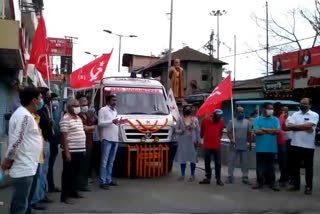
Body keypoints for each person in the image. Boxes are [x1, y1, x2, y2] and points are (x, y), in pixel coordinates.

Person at [1, 87, 43, 214]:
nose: (41, 101)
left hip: (27, 165)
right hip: (23, 167)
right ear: (34, 100)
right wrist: (8, 160)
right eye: (40, 98)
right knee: (20, 206)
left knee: (21, 204)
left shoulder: (24, 114)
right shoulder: (24, 116)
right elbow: (17, 141)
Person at [287, 98, 319, 195]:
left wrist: (296, 127)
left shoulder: (314, 115)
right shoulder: (295, 114)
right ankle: (296, 185)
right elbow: (289, 126)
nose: (302, 105)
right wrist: (304, 127)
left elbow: (309, 126)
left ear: (310, 105)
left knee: (308, 167)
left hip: (308, 146)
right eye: (301, 103)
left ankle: (308, 187)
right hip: (295, 144)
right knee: (295, 166)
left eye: (305, 103)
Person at [60, 98, 86, 204]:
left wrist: (83, 148)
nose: (78, 107)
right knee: (68, 174)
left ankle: (73, 191)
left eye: (78, 105)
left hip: (80, 149)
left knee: (76, 173)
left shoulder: (78, 118)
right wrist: (67, 152)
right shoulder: (65, 119)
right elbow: (64, 137)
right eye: (75, 106)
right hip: (71, 150)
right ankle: (65, 196)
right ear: (69, 107)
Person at [31, 88, 54, 209]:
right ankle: (35, 199)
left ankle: (41, 194)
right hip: (41, 142)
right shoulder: (37, 110)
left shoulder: (45, 108)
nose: (49, 98)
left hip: (47, 141)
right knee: (39, 173)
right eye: (46, 96)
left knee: (43, 171)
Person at [252, 102, 280, 191]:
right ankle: (259, 182)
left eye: (272, 109)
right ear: (264, 109)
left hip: (272, 147)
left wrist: (263, 129)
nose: (271, 110)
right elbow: (256, 132)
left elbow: (277, 131)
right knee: (260, 166)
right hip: (260, 148)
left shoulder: (275, 119)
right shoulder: (257, 119)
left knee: (271, 166)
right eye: (269, 108)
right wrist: (271, 130)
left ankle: (272, 183)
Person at [98, 94, 122, 189]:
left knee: (111, 161)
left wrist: (120, 122)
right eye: (113, 100)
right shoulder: (103, 110)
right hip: (107, 138)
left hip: (115, 138)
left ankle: (109, 179)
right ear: (108, 101)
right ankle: (103, 181)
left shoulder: (115, 111)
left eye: (115, 100)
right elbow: (100, 124)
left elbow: (115, 123)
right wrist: (111, 121)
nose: (115, 102)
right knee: (104, 161)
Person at [226, 107, 252, 185]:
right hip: (234, 145)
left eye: (242, 112)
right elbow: (228, 132)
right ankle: (230, 176)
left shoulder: (247, 122)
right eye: (239, 112)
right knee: (231, 161)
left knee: (245, 162)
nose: (241, 113)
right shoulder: (232, 122)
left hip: (244, 145)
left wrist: (250, 144)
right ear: (236, 113)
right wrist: (231, 139)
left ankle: (245, 176)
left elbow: (249, 134)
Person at [174, 105, 200, 182]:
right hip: (183, 142)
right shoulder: (180, 119)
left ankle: (192, 175)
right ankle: (182, 174)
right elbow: (175, 130)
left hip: (192, 141)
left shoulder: (195, 119)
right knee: (183, 158)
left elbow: (198, 131)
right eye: (186, 109)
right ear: (183, 110)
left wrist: (198, 141)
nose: (188, 110)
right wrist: (181, 131)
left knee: (193, 158)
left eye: (189, 109)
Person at [199, 109, 224, 186]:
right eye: (218, 117)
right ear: (214, 115)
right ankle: (208, 178)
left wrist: (217, 139)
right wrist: (202, 137)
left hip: (217, 145)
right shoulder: (205, 120)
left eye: (220, 117)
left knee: (218, 163)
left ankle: (218, 179)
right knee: (207, 162)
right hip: (207, 145)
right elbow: (201, 132)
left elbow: (221, 131)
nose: (219, 118)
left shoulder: (221, 122)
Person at [78, 97, 97, 190]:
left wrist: (90, 128)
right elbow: (84, 128)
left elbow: (93, 127)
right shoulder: (79, 116)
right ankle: (80, 184)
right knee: (81, 165)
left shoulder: (87, 115)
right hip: (82, 143)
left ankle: (84, 183)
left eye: (86, 105)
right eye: (83, 105)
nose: (85, 106)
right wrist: (90, 128)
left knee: (87, 164)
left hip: (89, 142)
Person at [47, 93, 61, 193]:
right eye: (54, 99)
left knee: (50, 166)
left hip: (55, 141)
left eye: (57, 99)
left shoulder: (56, 111)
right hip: (49, 141)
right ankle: (47, 187)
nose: (56, 101)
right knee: (47, 166)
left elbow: (57, 126)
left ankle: (51, 186)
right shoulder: (47, 111)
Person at [273, 102, 288, 187]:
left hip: (281, 142)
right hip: (271, 142)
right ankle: (269, 179)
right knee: (270, 162)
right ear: (275, 109)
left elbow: (284, 127)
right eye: (280, 109)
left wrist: (295, 127)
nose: (282, 111)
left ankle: (284, 179)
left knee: (283, 162)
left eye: (282, 109)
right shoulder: (271, 117)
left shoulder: (282, 116)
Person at [283, 106, 293, 184]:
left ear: (288, 112)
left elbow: (286, 128)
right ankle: (284, 177)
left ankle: (290, 177)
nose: (284, 112)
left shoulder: (291, 119)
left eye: (285, 111)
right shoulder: (279, 118)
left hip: (290, 141)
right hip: (282, 141)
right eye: (283, 111)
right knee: (283, 161)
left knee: (289, 160)